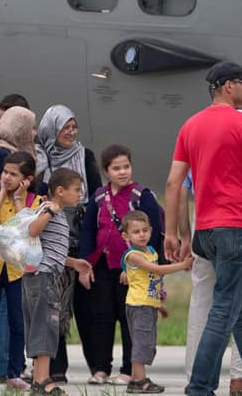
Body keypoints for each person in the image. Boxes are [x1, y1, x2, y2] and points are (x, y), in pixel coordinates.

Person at [164, 61, 242, 396]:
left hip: (205, 231)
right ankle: (200, 388)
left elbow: (173, 183)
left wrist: (173, 232)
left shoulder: (191, 125)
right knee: (225, 308)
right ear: (228, 86)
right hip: (238, 226)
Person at [181, 111, 242, 394]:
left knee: (206, 300)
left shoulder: (196, 128)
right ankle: (228, 381)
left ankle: (199, 375)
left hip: (205, 223)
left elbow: (178, 185)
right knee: (238, 304)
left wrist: (183, 235)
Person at [79, 144, 165, 385]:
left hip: (134, 268)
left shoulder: (142, 195)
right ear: (106, 171)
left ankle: (129, 370)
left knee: (131, 319)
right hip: (103, 265)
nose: (123, 172)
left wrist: (151, 268)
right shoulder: (98, 197)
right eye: (116, 168)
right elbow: (88, 231)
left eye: (126, 166)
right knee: (102, 317)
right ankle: (100, 368)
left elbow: (155, 233)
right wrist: (86, 264)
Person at [35, 105, 100, 382]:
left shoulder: (85, 155)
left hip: (81, 238)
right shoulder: (40, 159)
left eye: (74, 127)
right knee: (55, 308)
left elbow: (96, 197)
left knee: (88, 308)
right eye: (65, 128)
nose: (71, 132)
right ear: (51, 130)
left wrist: (89, 248)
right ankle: (56, 369)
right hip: (52, 241)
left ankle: (98, 367)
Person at [23, 168, 93, 396]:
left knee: (45, 327)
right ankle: (43, 380)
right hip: (43, 279)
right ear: (60, 191)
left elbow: (50, 250)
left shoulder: (61, 214)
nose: (80, 194)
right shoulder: (49, 209)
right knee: (45, 326)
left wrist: (74, 263)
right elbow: (32, 231)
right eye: (77, 190)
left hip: (47, 276)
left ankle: (38, 379)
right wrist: (49, 212)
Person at [0, 151, 42, 391]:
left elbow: (28, 228)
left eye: (13, 174)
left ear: (27, 179)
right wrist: (2, 193)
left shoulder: (34, 201)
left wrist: (17, 198)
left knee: (17, 322)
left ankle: (15, 372)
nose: (7, 177)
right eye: (5, 172)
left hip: (17, 269)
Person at [119, 211, 191, 394]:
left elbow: (151, 282)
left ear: (151, 231)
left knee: (147, 343)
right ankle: (140, 380)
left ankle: (136, 380)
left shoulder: (150, 251)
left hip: (148, 304)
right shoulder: (133, 255)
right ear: (126, 236)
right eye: (136, 232)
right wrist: (182, 265)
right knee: (142, 343)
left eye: (145, 230)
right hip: (138, 305)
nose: (142, 234)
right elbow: (156, 270)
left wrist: (160, 305)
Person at [0, 106, 36, 191]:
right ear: (20, 129)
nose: (34, 133)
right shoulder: (2, 153)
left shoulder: (3, 148)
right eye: (31, 127)